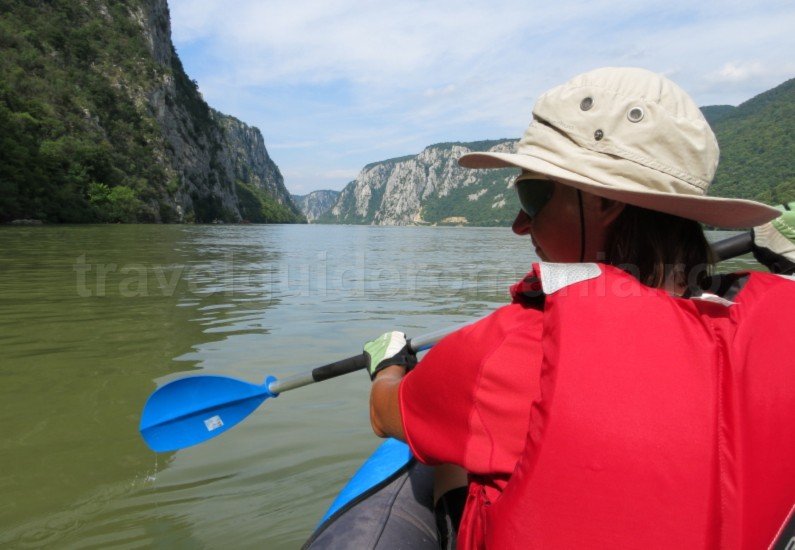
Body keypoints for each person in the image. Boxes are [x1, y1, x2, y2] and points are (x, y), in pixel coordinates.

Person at [364, 67, 795, 549]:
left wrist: (389, 365)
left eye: (532, 195)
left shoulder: (515, 349)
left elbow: (386, 414)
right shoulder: (780, 317)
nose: (519, 225)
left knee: (447, 459)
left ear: (603, 202)